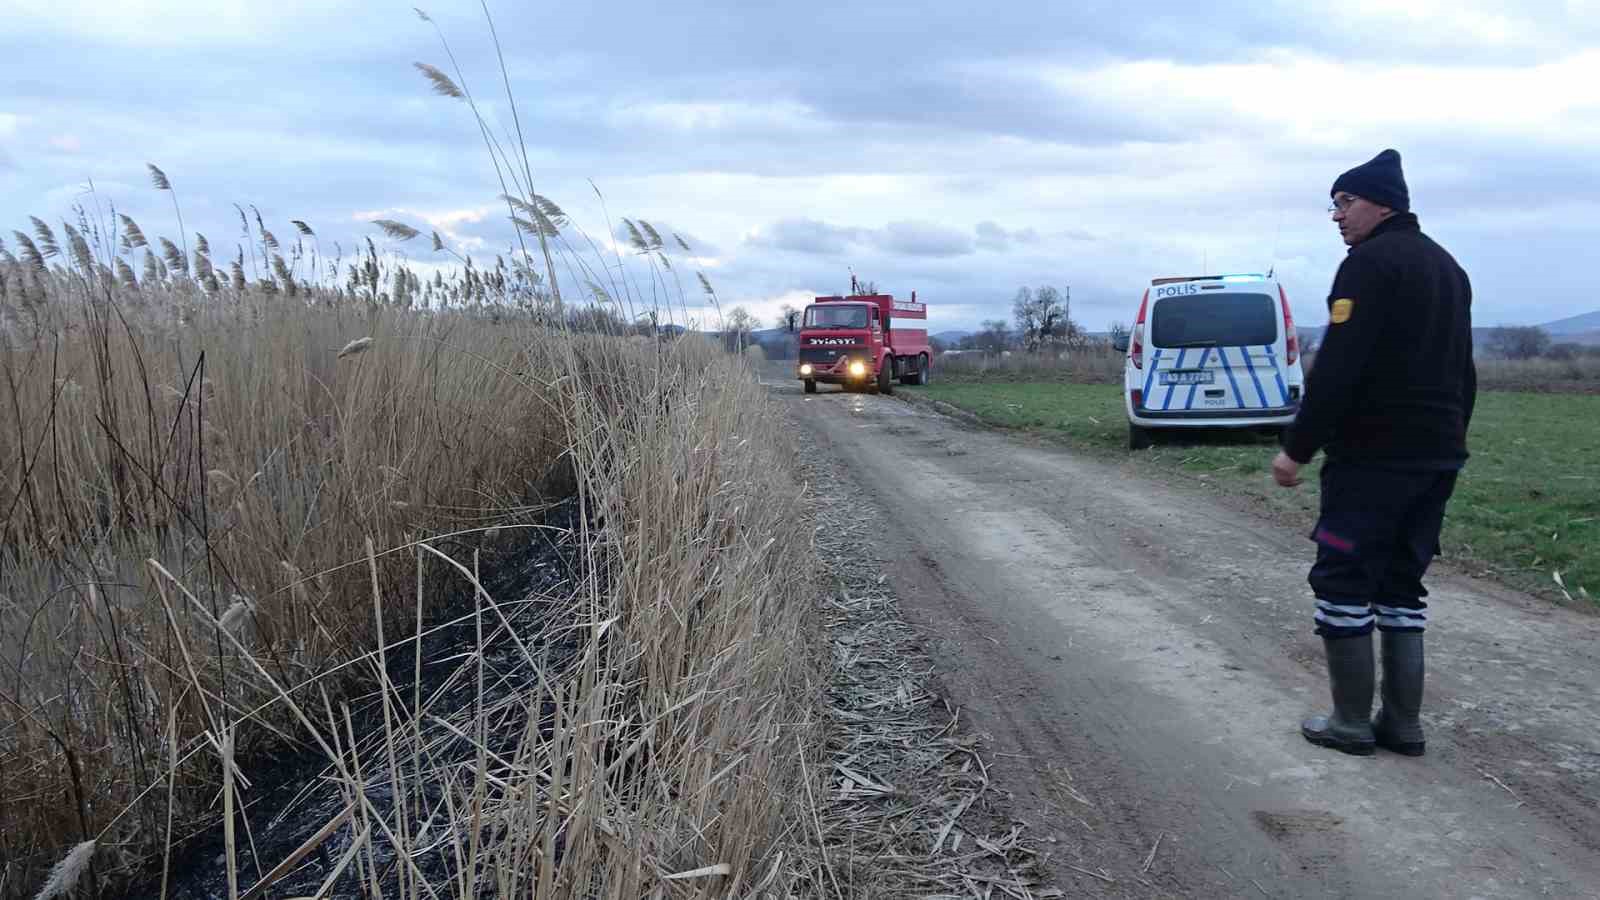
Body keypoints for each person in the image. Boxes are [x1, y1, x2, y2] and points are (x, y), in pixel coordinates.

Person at [1272, 148, 1475, 757]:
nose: (1337, 217)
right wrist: (1451, 440)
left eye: (1345, 202)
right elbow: (1462, 372)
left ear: (1382, 203)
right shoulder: (1448, 267)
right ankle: (1403, 725)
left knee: (1341, 576)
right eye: (1334, 204)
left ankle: (1351, 722)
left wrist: (1297, 449)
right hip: (1437, 459)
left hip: (1371, 462)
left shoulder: (1368, 265)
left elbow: (1339, 365)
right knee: (1401, 584)